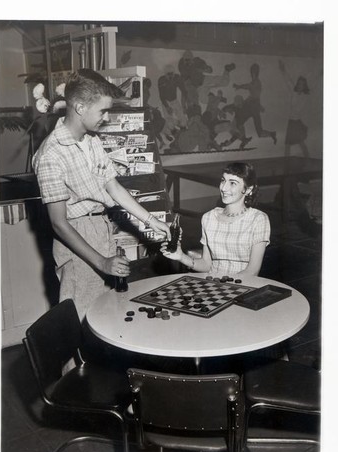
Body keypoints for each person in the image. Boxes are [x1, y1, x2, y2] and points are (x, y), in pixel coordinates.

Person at [33, 68, 171, 321]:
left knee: (106, 314)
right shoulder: (51, 154)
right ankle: (76, 364)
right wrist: (101, 262)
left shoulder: (91, 140)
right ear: (80, 107)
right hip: (76, 239)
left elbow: (113, 185)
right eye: (103, 111)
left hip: (101, 228)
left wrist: (150, 220)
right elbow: (58, 223)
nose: (106, 118)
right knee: (81, 318)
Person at [161, 162, 270, 276]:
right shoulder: (209, 218)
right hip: (214, 286)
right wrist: (181, 256)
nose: (223, 188)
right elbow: (207, 265)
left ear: (248, 190)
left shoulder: (258, 219)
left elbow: (252, 271)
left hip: (242, 285)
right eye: (223, 180)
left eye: (232, 183)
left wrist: (224, 286)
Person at [233, 63, 277, 144]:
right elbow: (255, 95)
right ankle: (271, 134)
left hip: (252, 106)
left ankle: (244, 139)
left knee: (240, 121)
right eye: (252, 71)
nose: (252, 73)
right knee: (257, 131)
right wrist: (259, 106)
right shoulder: (255, 82)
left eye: (253, 71)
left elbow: (249, 87)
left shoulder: (256, 82)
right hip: (254, 106)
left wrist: (239, 86)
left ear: (255, 72)